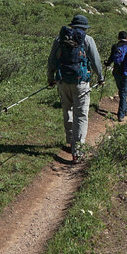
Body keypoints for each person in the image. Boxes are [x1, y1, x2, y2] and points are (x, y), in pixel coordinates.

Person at [47, 14, 104, 163]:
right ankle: (77, 152)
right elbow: (96, 61)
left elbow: (52, 60)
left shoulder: (60, 39)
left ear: (72, 25)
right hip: (81, 83)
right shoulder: (87, 39)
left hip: (62, 81)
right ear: (84, 28)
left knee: (67, 110)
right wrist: (101, 77)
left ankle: (71, 141)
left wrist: (50, 78)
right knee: (81, 115)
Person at [104, 30, 127, 122]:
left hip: (116, 72)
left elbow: (111, 58)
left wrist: (107, 64)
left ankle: (124, 110)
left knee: (122, 92)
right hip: (126, 73)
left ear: (118, 38)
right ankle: (121, 114)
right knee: (123, 93)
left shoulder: (115, 46)